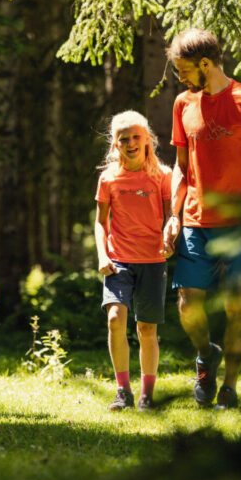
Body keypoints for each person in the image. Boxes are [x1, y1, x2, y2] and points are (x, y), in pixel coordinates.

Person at [161, 29, 241, 410]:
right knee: (187, 304)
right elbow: (181, 168)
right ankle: (204, 354)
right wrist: (173, 215)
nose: (179, 78)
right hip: (196, 221)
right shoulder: (184, 104)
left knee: (236, 306)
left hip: (240, 223)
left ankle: (229, 387)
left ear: (206, 64)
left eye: (183, 70)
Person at [94, 111, 172, 411]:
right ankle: (123, 390)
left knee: (147, 329)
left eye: (136, 137)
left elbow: (171, 215)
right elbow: (101, 222)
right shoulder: (109, 178)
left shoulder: (161, 176)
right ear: (115, 144)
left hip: (152, 260)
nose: (130, 143)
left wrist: (169, 235)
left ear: (148, 140)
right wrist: (102, 255)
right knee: (115, 318)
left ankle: (147, 394)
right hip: (118, 260)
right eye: (123, 138)